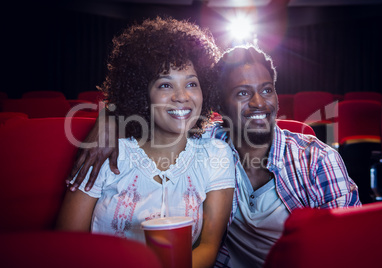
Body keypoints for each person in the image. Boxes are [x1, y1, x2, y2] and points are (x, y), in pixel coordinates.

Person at [66, 44, 361, 267]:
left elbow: (347, 248)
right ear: (219, 103)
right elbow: (157, 110)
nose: (260, 103)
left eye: (267, 90)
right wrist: (110, 116)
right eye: (243, 93)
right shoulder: (208, 143)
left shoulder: (318, 160)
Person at [56, 17, 235, 268]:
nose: (182, 97)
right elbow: (66, 246)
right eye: (165, 84)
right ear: (142, 92)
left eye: (192, 83)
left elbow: (208, 247)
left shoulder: (216, 154)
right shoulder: (107, 149)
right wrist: (108, 115)